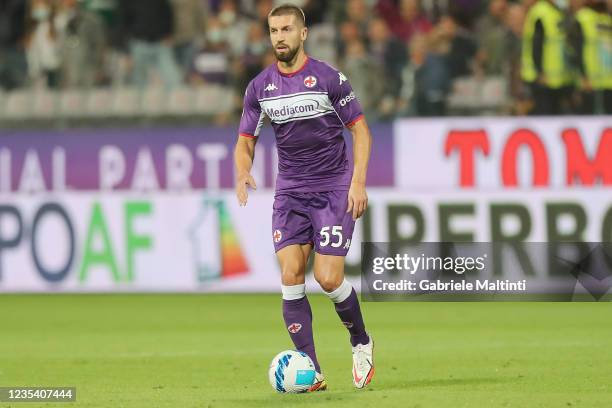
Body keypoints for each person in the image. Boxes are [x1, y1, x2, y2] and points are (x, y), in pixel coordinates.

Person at [233, 3, 375, 391]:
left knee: (329, 279)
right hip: (291, 191)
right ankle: (311, 371)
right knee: (291, 275)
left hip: (332, 188)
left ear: (303, 33)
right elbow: (245, 140)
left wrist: (357, 182)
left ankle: (361, 341)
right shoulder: (260, 87)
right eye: (273, 30)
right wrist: (243, 170)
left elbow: (360, 131)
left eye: (286, 30)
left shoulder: (329, 78)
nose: (279, 37)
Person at [521, 0, 574, 114]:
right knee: (544, 115)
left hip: (556, 79)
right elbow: (537, 44)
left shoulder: (557, 12)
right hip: (542, 79)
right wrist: (539, 72)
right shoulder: (541, 12)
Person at [569, 0, 612, 113]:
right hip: (589, 81)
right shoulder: (583, 18)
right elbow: (576, 49)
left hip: (607, 80)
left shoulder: (606, 18)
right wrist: (583, 75)